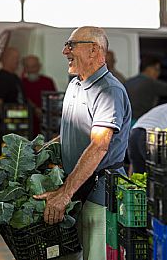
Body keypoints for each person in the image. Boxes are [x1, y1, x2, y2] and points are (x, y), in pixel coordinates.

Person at [34, 26, 131, 260]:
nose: (64, 50)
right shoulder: (75, 85)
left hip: (99, 196)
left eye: (71, 45)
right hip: (76, 192)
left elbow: (99, 145)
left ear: (93, 50)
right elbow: (71, 133)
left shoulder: (108, 91)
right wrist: (41, 152)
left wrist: (64, 194)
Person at [21, 54, 57, 137]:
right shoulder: (21, 83)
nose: (31, 70)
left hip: (46, 128)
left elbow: (55, 103)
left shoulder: (48, 82)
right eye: (28, 67)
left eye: (33, 66)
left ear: (39, 67)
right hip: (26, 128)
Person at [124, 55, 167, 123]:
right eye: (156, 69)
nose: (158, 73)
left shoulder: (129, 81)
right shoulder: (150, 82)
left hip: (125, 121)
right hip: (140, 121)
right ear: (148, 68)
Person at [128, 103, 167, 174]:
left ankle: (130, 184)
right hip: (150, 136)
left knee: (138, 175)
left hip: (134, 133)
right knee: (159, 175)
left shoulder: (162, 107)